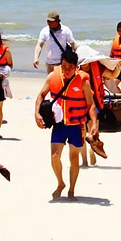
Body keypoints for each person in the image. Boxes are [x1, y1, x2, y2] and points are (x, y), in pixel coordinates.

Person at [34, 49, 99, 200]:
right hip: (60, 125)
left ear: (76, 67)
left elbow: (90, 105)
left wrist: (94, 123)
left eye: (70, 67)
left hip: (77, 126)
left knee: (73, 158)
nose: (66, 70)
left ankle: (71, 190)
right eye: (64, 66)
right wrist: (36, 113)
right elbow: (41, 96)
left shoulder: (84, 81)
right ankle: (60, 183)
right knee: (55, 156)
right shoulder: (53, 77)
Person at [34, 11, 78, 76]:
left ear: (57, 21)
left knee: (63, 83)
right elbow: (39, 45)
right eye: (48, 21)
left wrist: (78, 58)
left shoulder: (65, 30)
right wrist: (36, 58)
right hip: (50, 63)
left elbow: (73, 44)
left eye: (51, 21)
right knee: (51, 83)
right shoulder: (45, 31)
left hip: (63, 63)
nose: (49, 23)